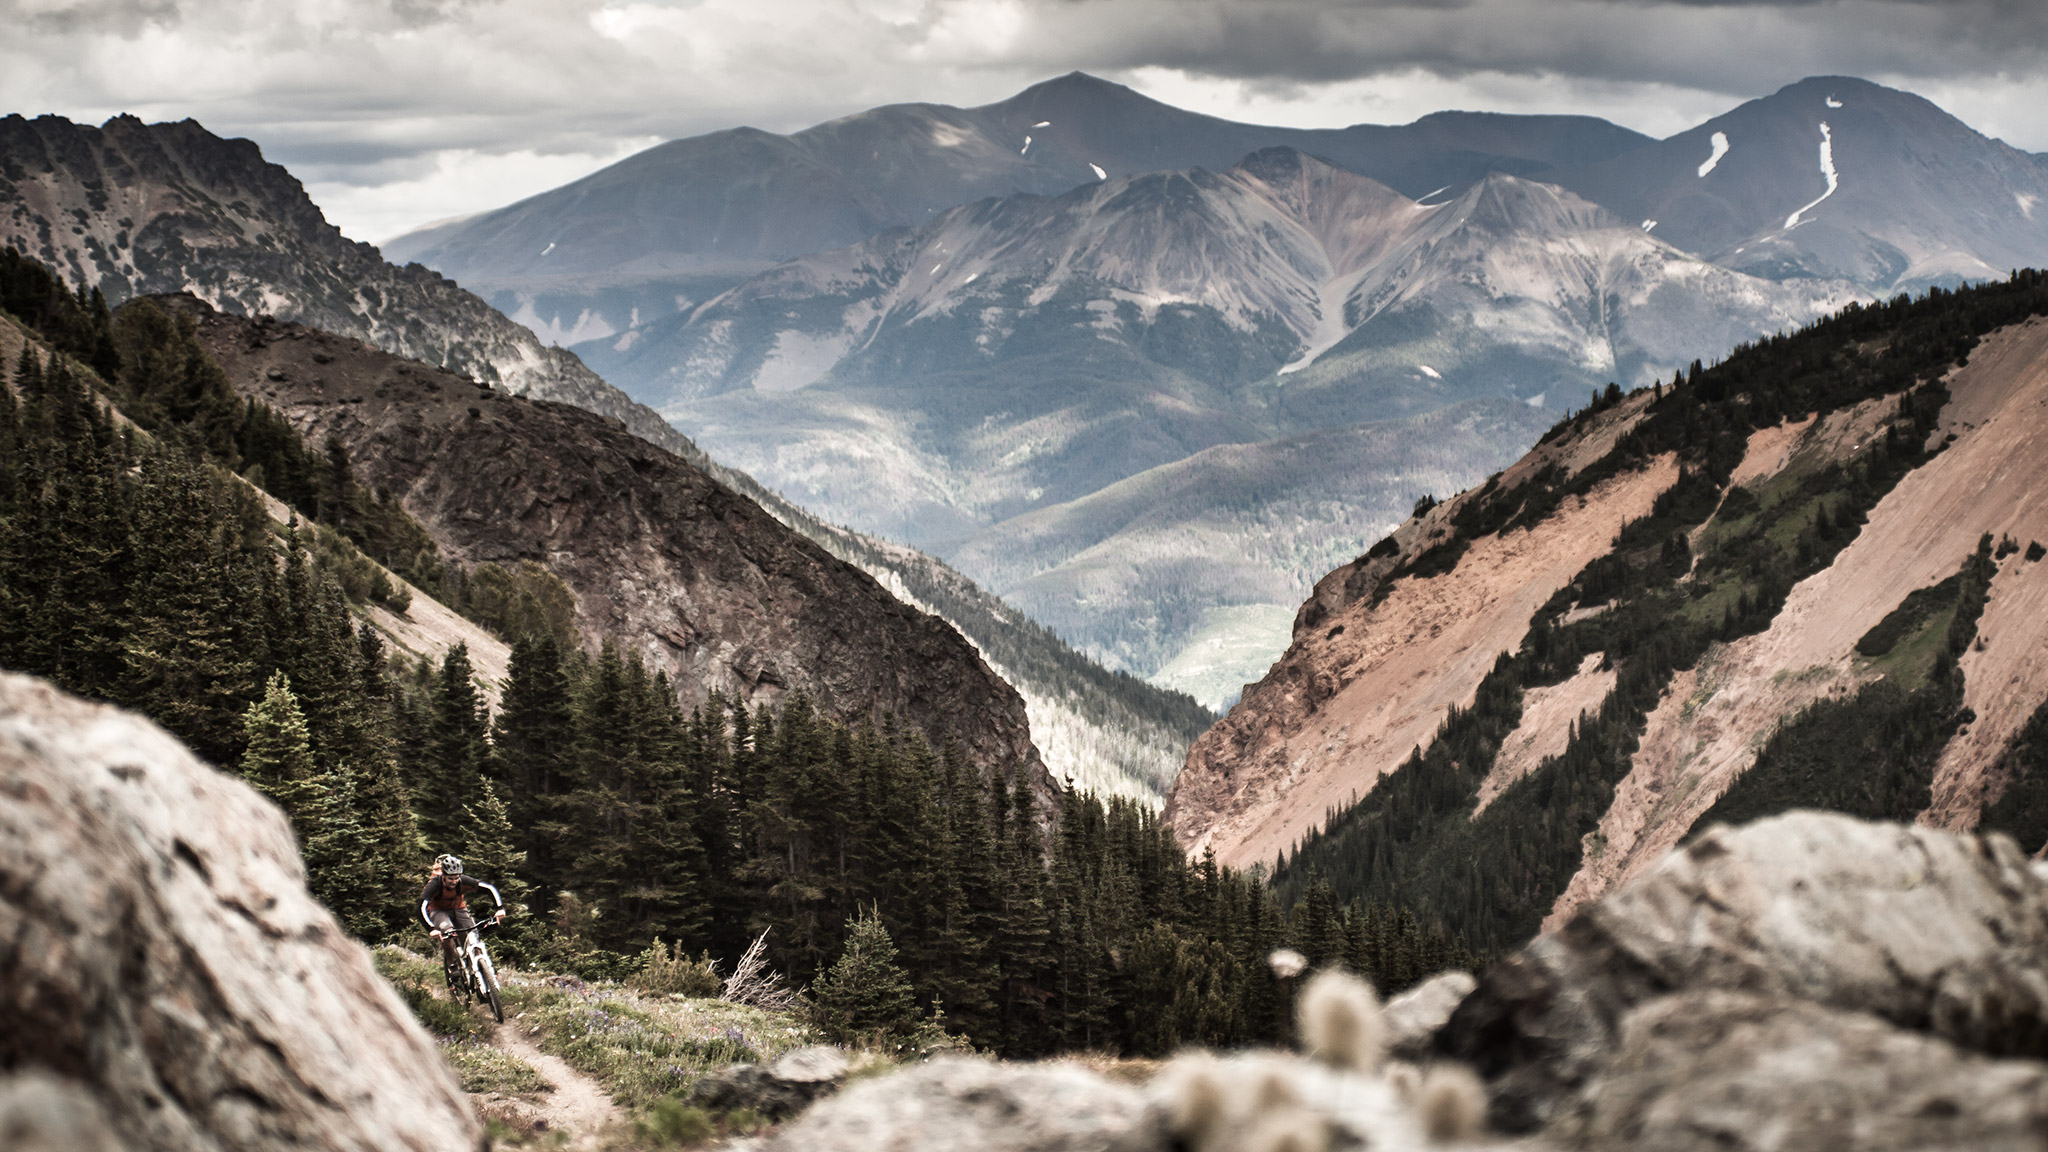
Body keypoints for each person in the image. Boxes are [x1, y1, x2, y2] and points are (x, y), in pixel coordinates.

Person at [419, 853, 505, 978]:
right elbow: (421, 906)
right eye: (450, 879)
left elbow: (489, 889)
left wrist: (499, 909)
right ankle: (452, 964)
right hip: (438, 910)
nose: (454, 881)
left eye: (456, 878)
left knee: (472, 934)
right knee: (447, 933)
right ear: (443, 876)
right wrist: (431, 929)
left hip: (459, 908)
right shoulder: (434, 884)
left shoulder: (463, 881)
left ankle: (483, 967)